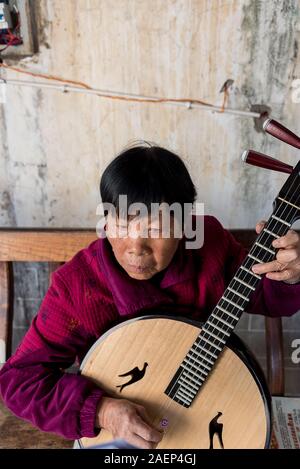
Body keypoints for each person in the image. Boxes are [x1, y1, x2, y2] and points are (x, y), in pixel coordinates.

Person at [0, 143, 300, 449]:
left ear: (185, 226)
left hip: (204, 414)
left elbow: (267, 295)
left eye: (155, 229)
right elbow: (19, 381)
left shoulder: (209, 246)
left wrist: (292, 273)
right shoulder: (78, 285)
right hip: (121, 439)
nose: (135, 247)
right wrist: (103, 411)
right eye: (120, 225)